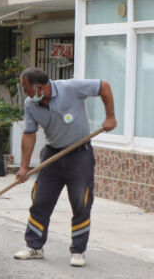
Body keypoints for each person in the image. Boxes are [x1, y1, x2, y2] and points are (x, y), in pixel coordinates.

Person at [13, 67, 117, 267]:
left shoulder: (71, 88)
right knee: (40, 200)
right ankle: (34, 246)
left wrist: (110, 116)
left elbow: (103, 86)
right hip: (52, 155)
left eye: (27, 89)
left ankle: (78, 251)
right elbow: (29, 133)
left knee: (81, 201)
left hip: (79, 154)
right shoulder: (30, 104)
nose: (25, 93)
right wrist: (24, 167)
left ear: (40, 88)